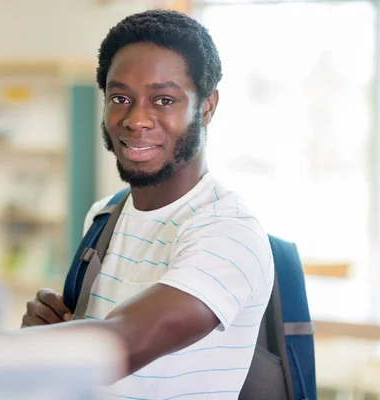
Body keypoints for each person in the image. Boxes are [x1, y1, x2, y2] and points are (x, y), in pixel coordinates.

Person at [21, 9, 274, 400]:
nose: (137, 119)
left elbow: (117, 346)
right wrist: (48, 328)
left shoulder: (228, 232)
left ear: (206, 107)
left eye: (163, 100)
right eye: (120, 97)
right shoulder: (105, 215)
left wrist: (1, 351)